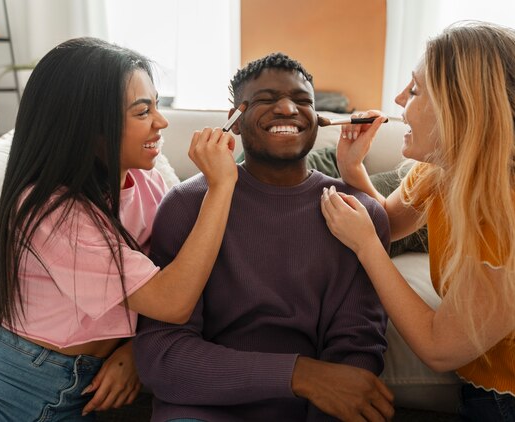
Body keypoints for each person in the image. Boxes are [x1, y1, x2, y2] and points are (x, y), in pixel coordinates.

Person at [0, 37, 238, 421]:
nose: (162, 121)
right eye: (143, 112)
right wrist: (221, 185)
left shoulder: (148, 186)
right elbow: (172, 301)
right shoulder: (50, 211)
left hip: (93, 389)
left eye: (157, 105)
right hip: (4, 384)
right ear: (90, 126)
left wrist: (134, 351)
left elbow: (185, 277)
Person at [321, 21, 515, 421]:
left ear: (463, 105)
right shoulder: (443, 170)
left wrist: (366, 247)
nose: (397, 99)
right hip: (484, 389)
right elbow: (386, 223)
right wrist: (352, 168)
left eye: (415, 89)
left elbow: (439, 348)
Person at [133, 52, 394, 422]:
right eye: (266, 100)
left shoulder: (360, 215)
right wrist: (299, 374)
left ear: (318, 118)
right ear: (234, 122)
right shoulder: (185, 205)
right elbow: (163, 357)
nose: (288, 108)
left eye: (303, 101)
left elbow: (356, 354)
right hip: (201, 408)